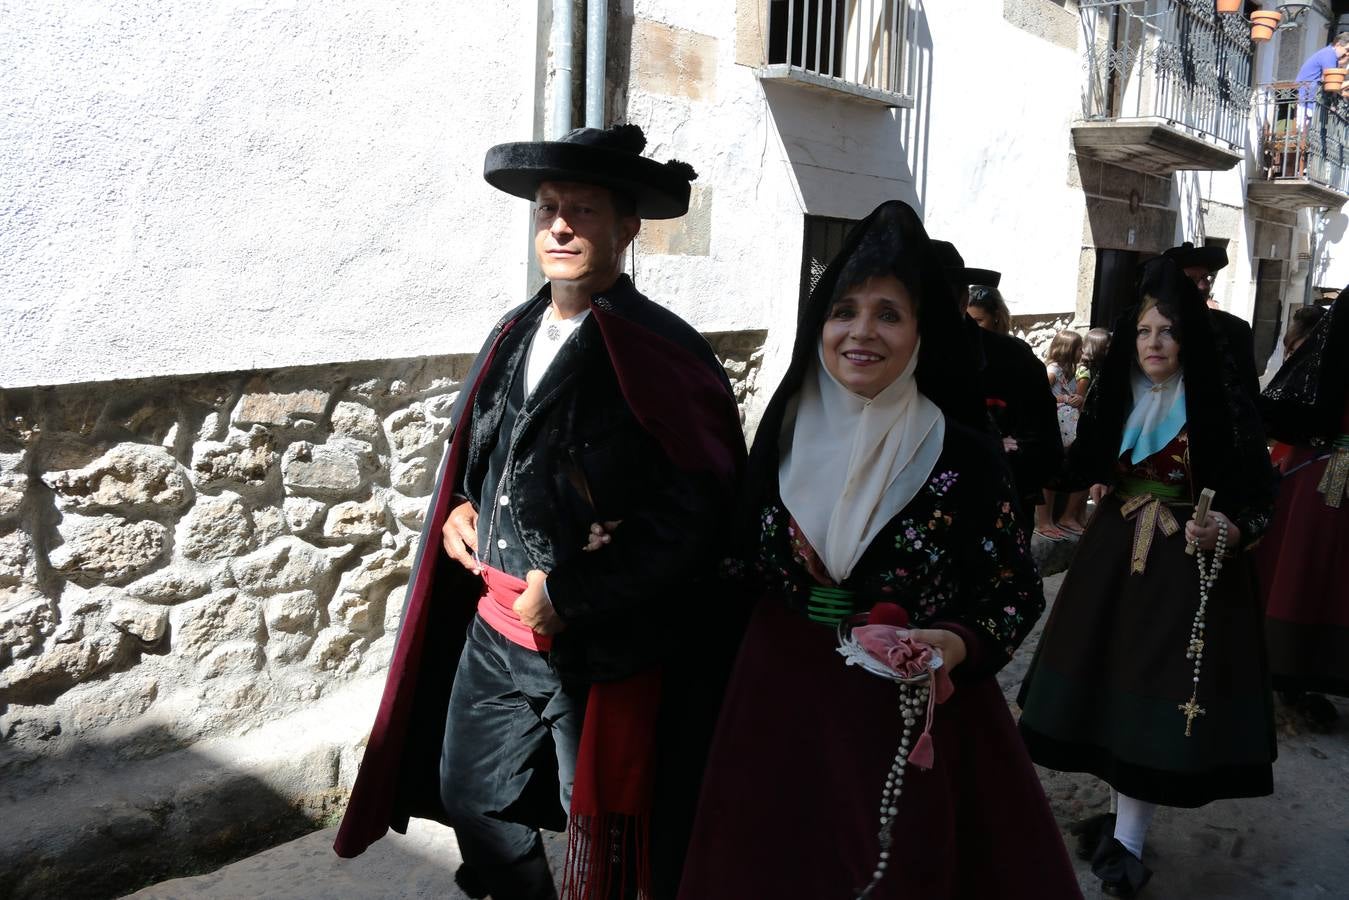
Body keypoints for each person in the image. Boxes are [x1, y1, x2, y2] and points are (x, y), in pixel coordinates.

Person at [331, 123, 746, 900]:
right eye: (548, 207)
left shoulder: (664, 353)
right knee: (470, 795)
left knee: (604, 825)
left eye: (582, 210)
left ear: (626, 229)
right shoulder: (514, 331)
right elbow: (489, 452)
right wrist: (462, 507)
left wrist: (574, 594)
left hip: (600, 646)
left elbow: (698, 509)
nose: (558, 224)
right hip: (494, 632)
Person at [677, 201, 1080, 899]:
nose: (861, 331)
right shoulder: (780, 437)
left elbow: (1011, 591)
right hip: (775, 707)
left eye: (888, 314)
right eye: (844, 311)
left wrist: (955, 644)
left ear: (922, 332)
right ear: (819, 327)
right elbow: (735, 565)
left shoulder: (963, 456)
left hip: (905, 721)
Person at [1017, 257, 1276, 898]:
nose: (1153, 343)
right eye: (1142, 331)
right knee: (1108, 689)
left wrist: (1229, 531)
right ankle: (1121, 822)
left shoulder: (1214, 405)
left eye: (1166, 331)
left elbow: (1257, 496)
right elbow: (1081, 464)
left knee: (1148, 694)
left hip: (1181, 570)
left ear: (1187, 338)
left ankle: (1128, 839)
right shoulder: (1121, 398)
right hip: (1112, 557)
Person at [1257, 291, 1349, 732]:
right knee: (1308, 573)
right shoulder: (1331, 356)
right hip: (1323, 480)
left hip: (1320, 477)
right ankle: (1295, 673)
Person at [931, 241, 1063, 522]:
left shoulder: (1013, 360)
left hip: (995, 517)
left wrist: (990, 452)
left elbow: (1046, 450)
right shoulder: (888, 358)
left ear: (962, 302)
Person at [1162, 242, 1259, 400]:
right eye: (1192, 279)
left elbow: (1248, 394)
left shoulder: (1235, 330)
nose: (1203, 285)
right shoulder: (1148, 328)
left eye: (1206, 277)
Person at [1036, 329, 1089, 538]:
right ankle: (1044, 522)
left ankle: (1060, 518)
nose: (1082, 352)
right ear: (1069, 350)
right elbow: (1041, 395)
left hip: (1066, 431)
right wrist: (1066, 400)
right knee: (1050, 474)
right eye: (1079, 348)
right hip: (1054, 430)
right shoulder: (1053, 371)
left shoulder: (1072, 372)